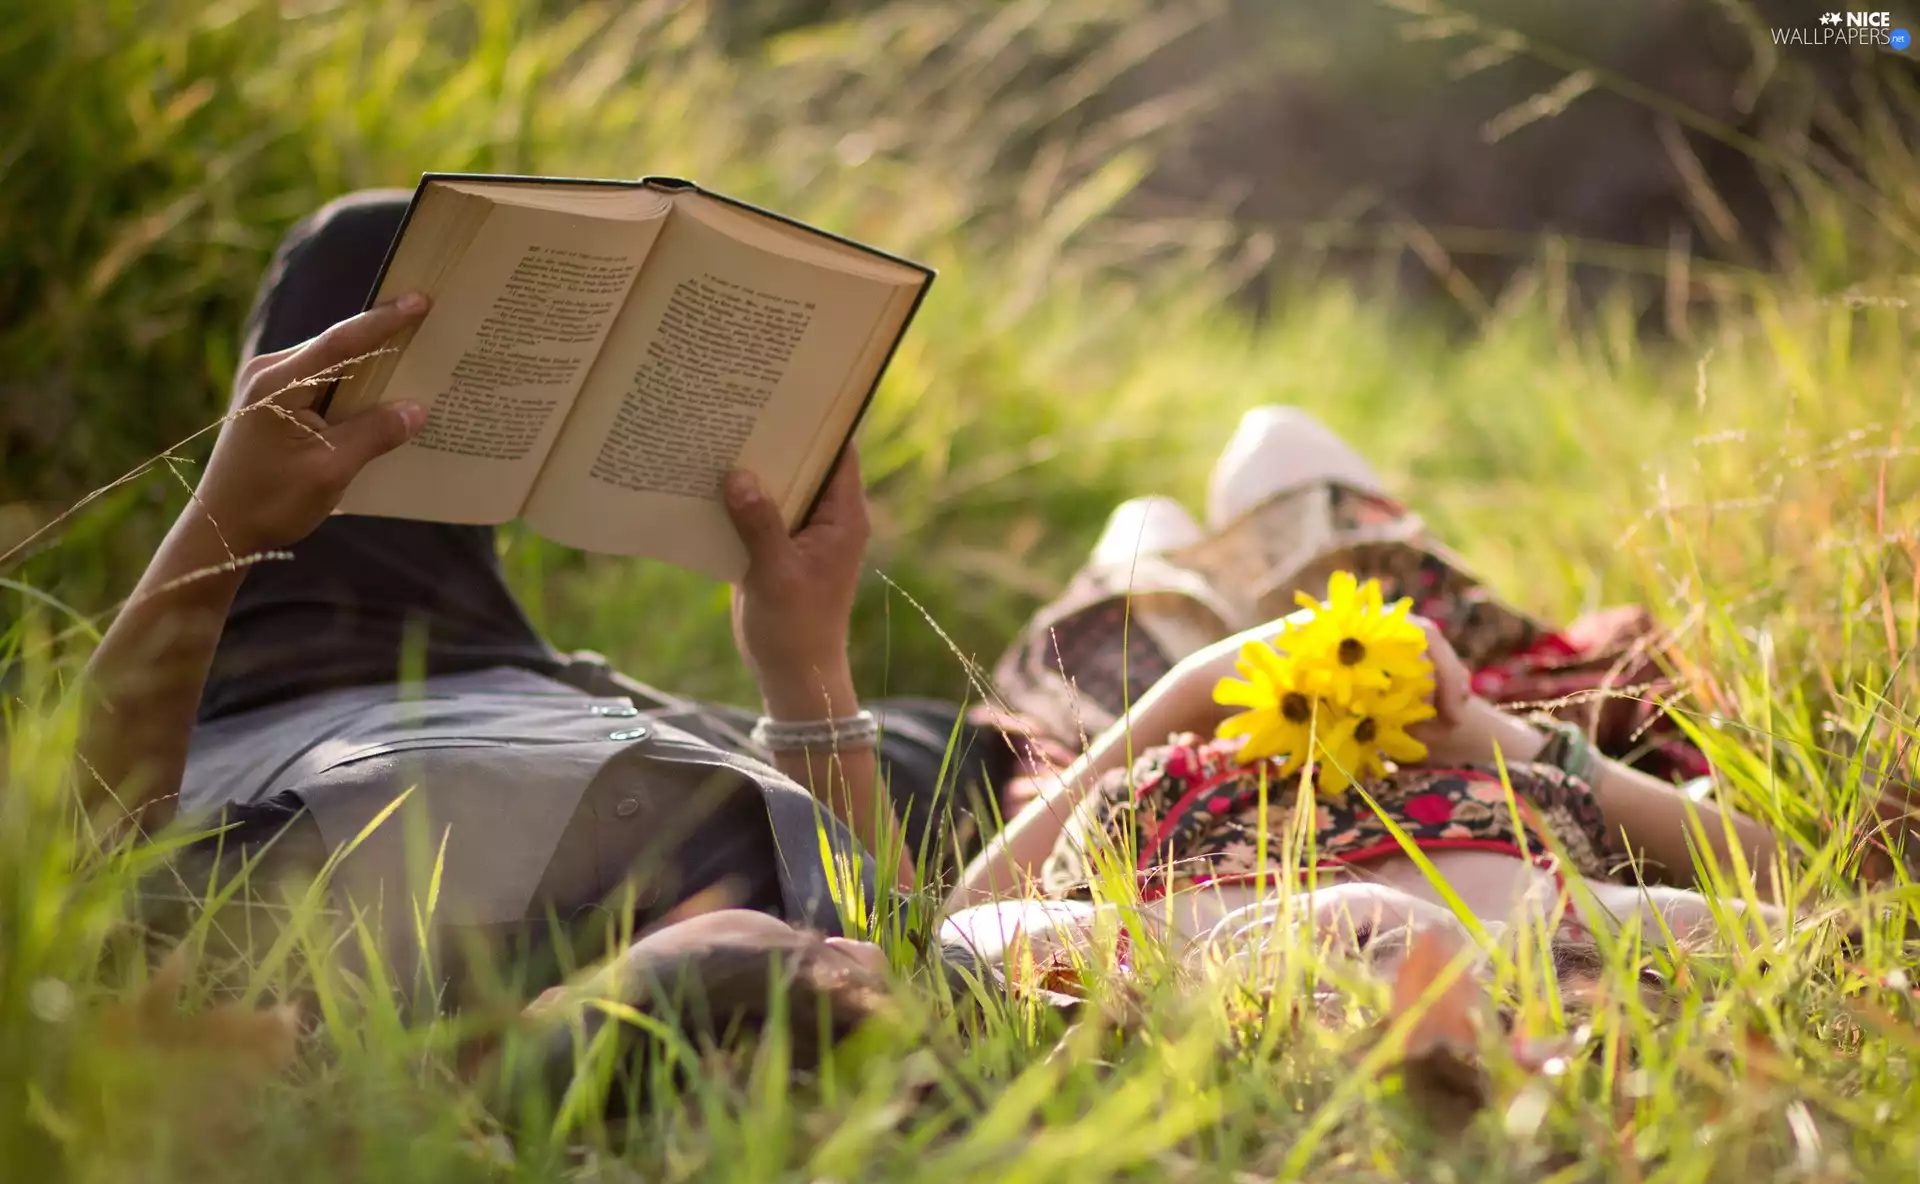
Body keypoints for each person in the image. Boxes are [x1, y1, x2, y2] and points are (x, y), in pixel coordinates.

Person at [79, 191, 1015, 1000]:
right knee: (976, 750)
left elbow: (90, 849)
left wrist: (223, 525)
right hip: (645, 724)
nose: (833, 953)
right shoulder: (843, 930)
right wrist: (803, 659)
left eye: (789, 963)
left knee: (372, 254)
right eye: (826, 961)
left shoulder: (357, 928)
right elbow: (893, 925)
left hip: (308, 684)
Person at [944, 408, 1792, 988]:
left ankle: (1211, 588)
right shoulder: (1578, 925)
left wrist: (1197, 683)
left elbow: (952, 929)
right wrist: (1497, 738)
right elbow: (1824, 899)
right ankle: (1268, 585)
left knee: (1142, 526)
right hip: (1441, 702)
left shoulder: (1184, 943)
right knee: (1275, 443)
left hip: (1143, 724)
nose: (1367, 932)